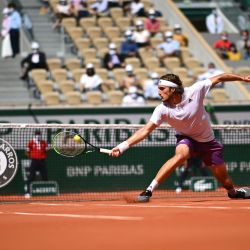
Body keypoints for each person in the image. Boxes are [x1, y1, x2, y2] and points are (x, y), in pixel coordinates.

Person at [110, 72, 250, 201]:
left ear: (173, 89)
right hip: (185, 138)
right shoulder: (162, 109)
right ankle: (149, 190)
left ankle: (234, 192)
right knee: (180, 156)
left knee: (226, 183)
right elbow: (145, 130)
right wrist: (122, 147)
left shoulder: (196, 90)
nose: (159, 92)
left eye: (162, 89)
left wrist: (242, 78)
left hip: (207, 142)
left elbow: (220, 77)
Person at [25, 130, 49, 198]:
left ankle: (45, 191)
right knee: (31, 176)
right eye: (37, 134)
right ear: (35, 135)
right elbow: (27, 151)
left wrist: (43, 156)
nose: (38, 135)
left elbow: (47, 150)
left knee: (45, 176)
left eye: (39, 134)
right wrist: (31, 157)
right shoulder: (31, 142)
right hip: (34, 161)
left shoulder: (43, 142)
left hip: (42, 161)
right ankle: (28, 192)